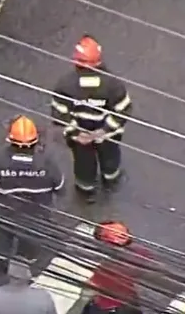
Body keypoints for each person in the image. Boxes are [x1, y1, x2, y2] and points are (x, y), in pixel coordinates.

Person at [51, 35, 133, 202]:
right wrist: (102, 132)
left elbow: (60, 113)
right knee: (110, 157)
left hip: (79, 137)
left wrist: (78, 134)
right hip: (107, 135)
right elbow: (122, 111)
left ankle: (86, 189)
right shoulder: (113, 84)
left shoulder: (65, 84)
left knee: (83, 163)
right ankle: (111, 181)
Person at [0, 115, 65, 273]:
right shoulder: (46, 162)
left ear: (10, 140)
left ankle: (1, 263)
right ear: (35, 141)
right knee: (30, 242)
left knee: (1, 240)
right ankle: (25, 261)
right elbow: (60, 187)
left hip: (3, 212)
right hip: (36, 215)